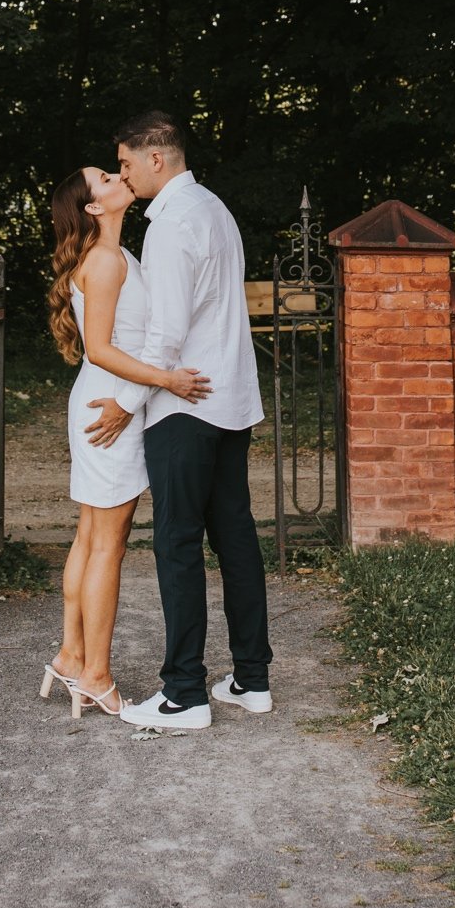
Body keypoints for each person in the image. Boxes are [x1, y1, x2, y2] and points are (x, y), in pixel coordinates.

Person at [82, 109, 273, 732]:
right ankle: (251, 680)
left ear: (155, 159)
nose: (126, 174)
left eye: (128, 163)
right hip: (231, 399)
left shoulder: (168, 225)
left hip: (185, 405)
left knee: (177, 545)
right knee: (236, 539)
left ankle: (185, 693)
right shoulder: (214, 209)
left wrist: (125, 404)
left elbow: (166, 335)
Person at [41, 164, 211, 718]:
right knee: (108, 544)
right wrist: (167, 380)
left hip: (103, 400)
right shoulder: (107, 261)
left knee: (91, 536)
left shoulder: (110, 254)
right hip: (108, 404)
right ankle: (96, 674)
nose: (120, 176)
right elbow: (99, 349)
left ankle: (71, 655)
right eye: (106, 178)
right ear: (94, 207)